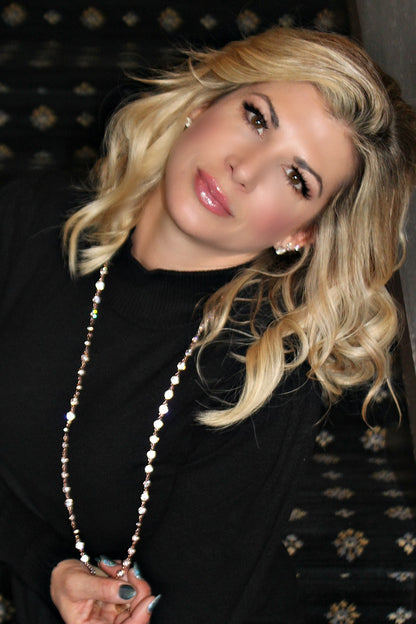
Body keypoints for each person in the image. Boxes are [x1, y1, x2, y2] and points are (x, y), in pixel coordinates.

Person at [1, 25, 416, 624]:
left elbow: (202, 599)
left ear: (302, 233)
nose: (245, 169)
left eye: (296, 178)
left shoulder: (267, 370)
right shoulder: (31, 221)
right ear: (205, 104)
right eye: (257, 118)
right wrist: (45, 564)